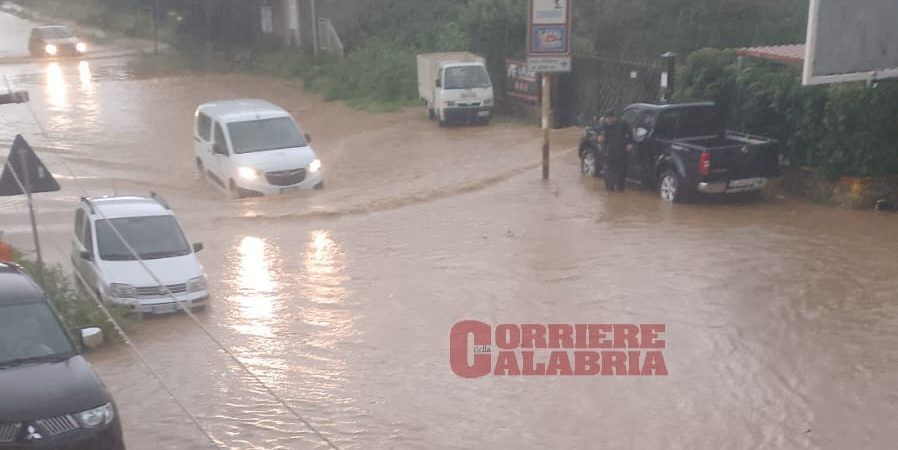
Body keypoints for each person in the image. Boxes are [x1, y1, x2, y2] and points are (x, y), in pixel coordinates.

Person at [597, 111, 634, 191]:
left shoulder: (623, 124)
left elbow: (630, 134)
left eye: (610, 119)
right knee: (609, 179)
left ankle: (620, 192)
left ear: (614, 117)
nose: (609, 121)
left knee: (621, 178)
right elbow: (599, 134)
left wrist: (630, 143)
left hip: (621, 154)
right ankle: (610, 192)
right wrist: (599, 137)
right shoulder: (603, 125)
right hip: (608, 154)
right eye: (607, 119)